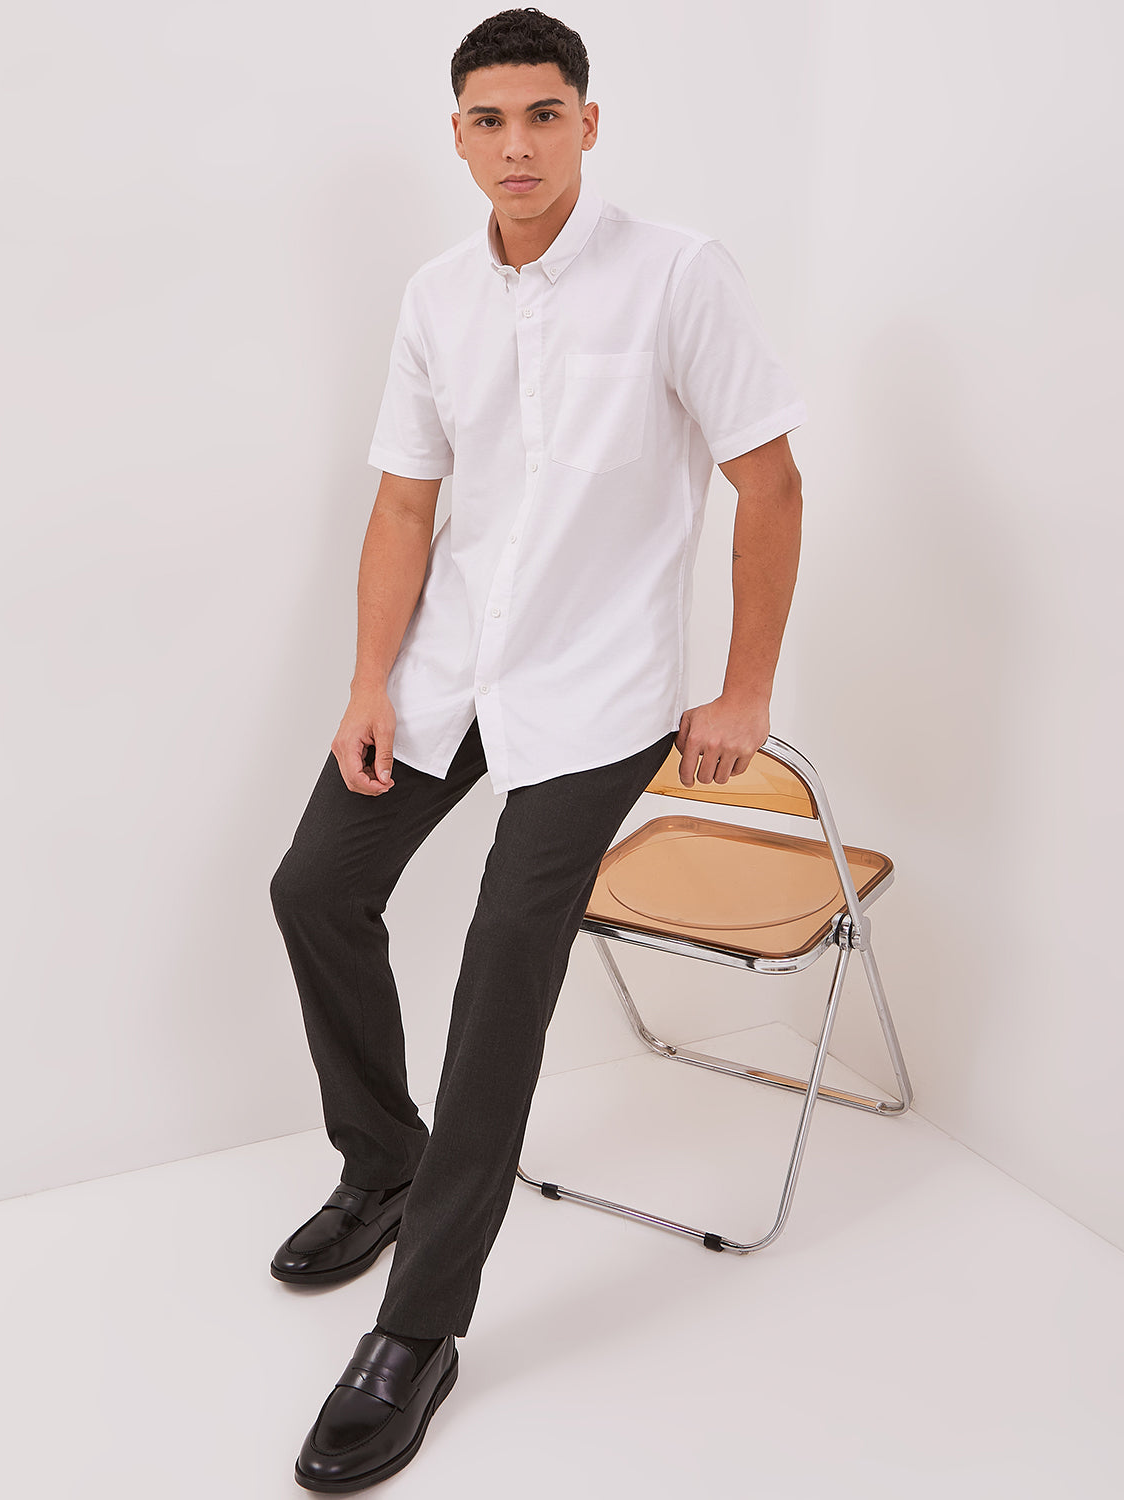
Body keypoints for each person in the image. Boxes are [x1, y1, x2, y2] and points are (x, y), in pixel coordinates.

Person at [268, 7, 806, 1491]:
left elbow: (769, 486)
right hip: (449, 670)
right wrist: (370, 681)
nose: (517, 145)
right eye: (489, 120)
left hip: (600, 688)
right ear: (457, 136)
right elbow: (403, 505)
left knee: (505, 957)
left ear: (588, 123)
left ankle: (419, 1327)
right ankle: (384, 1163)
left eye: (544, 115)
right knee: (315, 887)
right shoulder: (437, 296)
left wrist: (743, 689)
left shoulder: (678, 273)